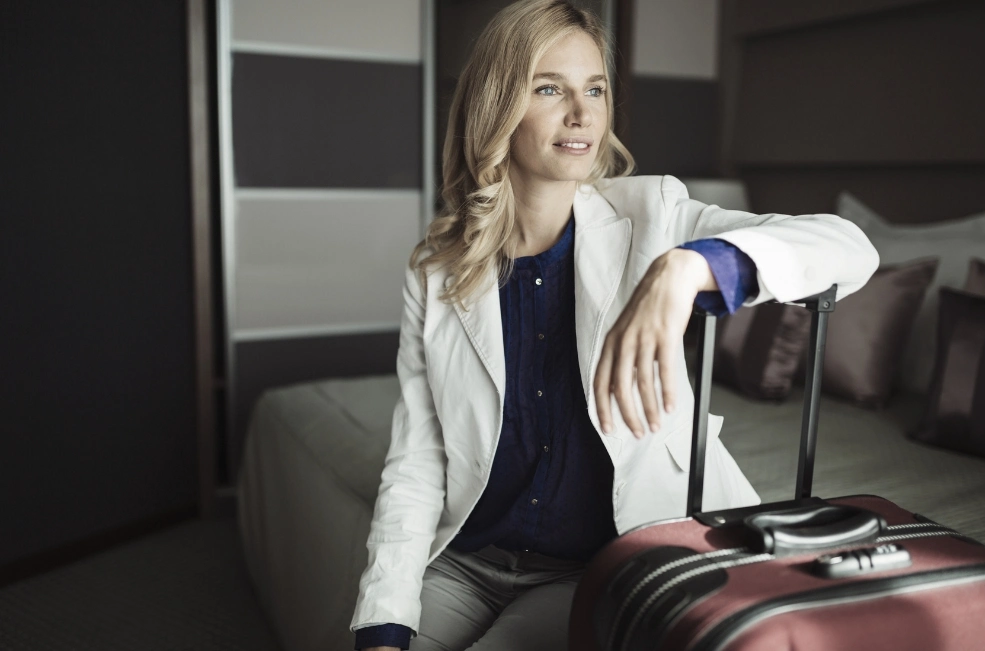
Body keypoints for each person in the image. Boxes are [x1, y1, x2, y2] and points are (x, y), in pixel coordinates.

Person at [351, 1, 879, 649]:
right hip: (467, 560)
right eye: (550, 88)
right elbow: (416, 460)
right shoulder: (438, 266)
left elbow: (849, 247)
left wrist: (689, 266)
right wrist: (384, 619)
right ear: (498, 105)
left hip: (592, 568)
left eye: (594, 89)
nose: (582, 113)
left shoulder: (654, 214)